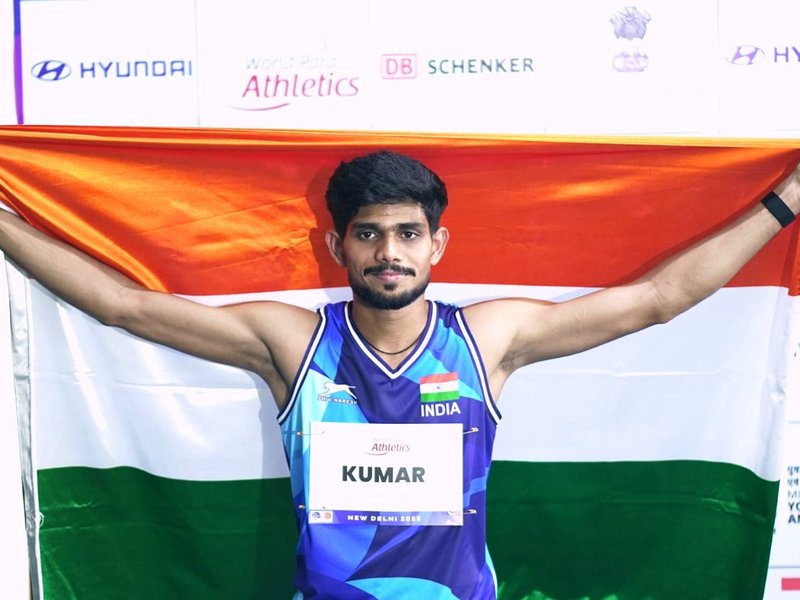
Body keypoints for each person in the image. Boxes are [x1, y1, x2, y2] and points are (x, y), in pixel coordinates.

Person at [1, 150, 798, 599]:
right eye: (369, 234)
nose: (389, 252)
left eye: (409, 234)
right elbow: (124, 307)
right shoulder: (293, 344)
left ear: (437, 246)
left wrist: (787, 201)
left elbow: (659, 300)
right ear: (338, 246)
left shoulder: (486, 340)